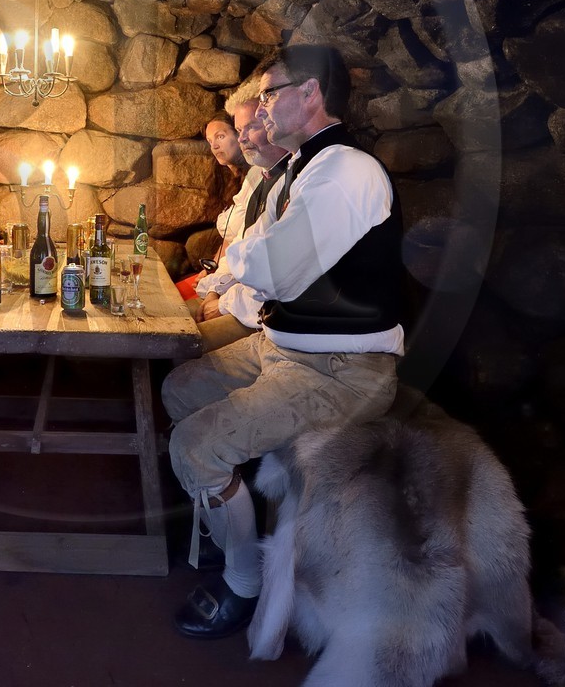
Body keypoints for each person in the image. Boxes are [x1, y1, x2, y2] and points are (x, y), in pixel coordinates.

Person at [162, 43, 407, 640]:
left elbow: (276, 268)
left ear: (311, 93)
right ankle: (227, 518)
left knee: (195, 445)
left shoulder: (346, 170)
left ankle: (243, 583)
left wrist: (234, 265)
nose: (263, 107)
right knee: (179, 389)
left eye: (270, 93)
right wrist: (236, 266)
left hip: (341, 369)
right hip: (282, 347)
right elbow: (257, 257)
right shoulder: (300, 169)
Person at [185, 78, 292, 353]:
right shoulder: (260, 177)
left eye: (250, 127)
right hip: (234, 293)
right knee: (171, 316)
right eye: (241, 129)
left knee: (182, 344)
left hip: (262, 315)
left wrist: (221, 301)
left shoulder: (289, 179)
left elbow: (273, 277)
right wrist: (214, 289)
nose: (243, 138)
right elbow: (242, 247)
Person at [175, 115, 249, 300]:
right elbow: (229, 238)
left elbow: (240, 240)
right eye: (210, 141)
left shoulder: (255, 181)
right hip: (222, 271)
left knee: (178, 302)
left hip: (239, 279)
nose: (214, 146)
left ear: (239, 134)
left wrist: (215, 282)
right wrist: (210, 270)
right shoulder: (229, 182)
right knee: (176, 292)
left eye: (220, 136)